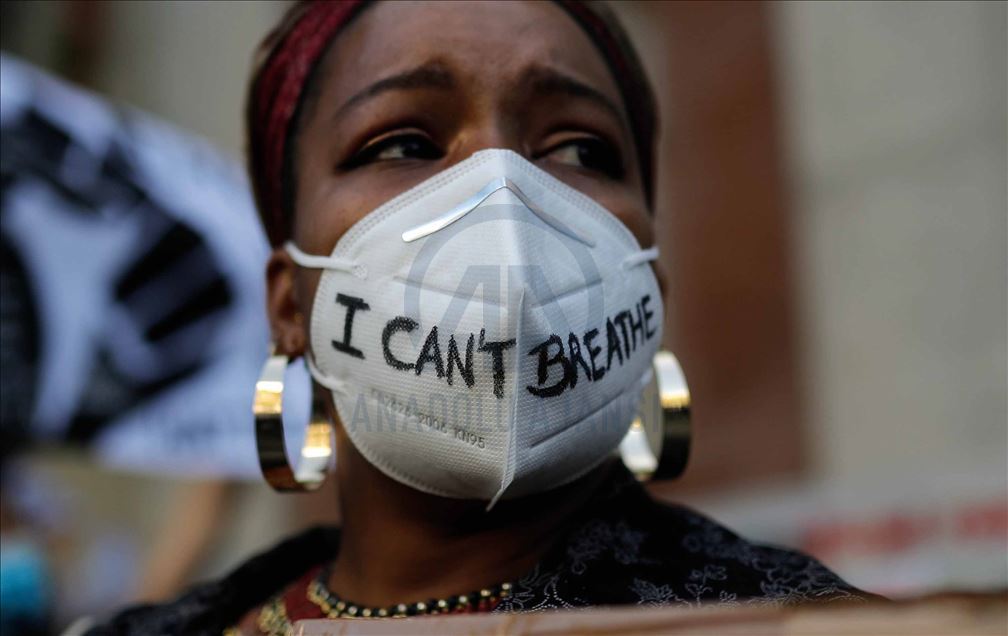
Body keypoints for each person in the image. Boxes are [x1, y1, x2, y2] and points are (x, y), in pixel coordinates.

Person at [94, 2, 874, 634]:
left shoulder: (800, 622)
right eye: (403, 141)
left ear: (650, 288)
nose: (499, 195)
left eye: (580, 152)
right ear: (290, 304)